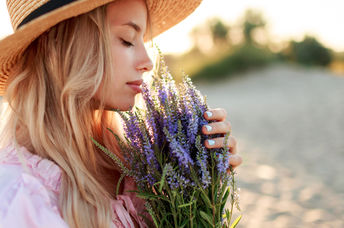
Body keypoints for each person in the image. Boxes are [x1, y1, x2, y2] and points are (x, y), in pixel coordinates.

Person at [0, 0, 243, 227]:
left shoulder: (136, 167)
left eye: (143, 41)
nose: (147, 61)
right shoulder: (18, 197)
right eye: (127, 39)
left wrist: (201, 183)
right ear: (58, 48)